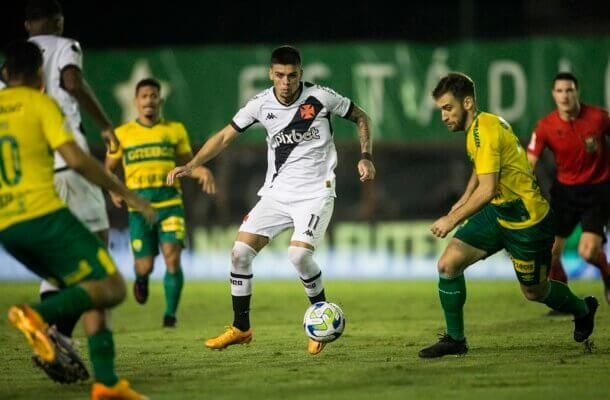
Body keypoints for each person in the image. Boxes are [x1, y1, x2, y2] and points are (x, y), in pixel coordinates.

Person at [167, 45, 376, 355]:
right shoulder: (260, 104)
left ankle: (320, 319)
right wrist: (194, 163)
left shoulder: (321, 97)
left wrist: (366, 156)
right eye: (279, 75)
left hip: (316, 192)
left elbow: (361, 116)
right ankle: (241, 327)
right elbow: (225, 135)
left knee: (298, 256)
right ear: (270, 75)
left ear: (301, 74)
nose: (286, 82)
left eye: (292, 76)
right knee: (239, 253)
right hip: (276, 194)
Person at [1, 40, 151, 400]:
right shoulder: (42, 103)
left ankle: (106, 383)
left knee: (87, 283)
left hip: (8, 228)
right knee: (112, 285)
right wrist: (129, 195)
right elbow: (78, 159)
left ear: (5, 74)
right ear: (40, 74)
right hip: (45, 217)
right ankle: (37, 315)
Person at [418, 72, 598, 358]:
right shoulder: (480, 126)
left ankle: (583, 308)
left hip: (528, 221)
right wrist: (461, 203)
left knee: (534, 292)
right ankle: (455, 339)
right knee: (448, 265)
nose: (443, 116)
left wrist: (451, 220)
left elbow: (488, 189)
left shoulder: (485, 131)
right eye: (441, 109)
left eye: (447, 107)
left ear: (467, 102)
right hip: (500, 213)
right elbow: (481, 172)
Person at [23, 0, 121, 380]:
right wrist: (106, 126)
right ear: (52, 21)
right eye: (57, 18)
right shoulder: (66, 46)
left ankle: (53, 336)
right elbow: (72, 82)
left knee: (59, 257)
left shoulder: (14, 62)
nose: (60, 24)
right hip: (70, 163)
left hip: (38, 170)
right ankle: (55, 335)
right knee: (96, 259)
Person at [105, 78, 216, 327]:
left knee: (172, 258)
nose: (149, 101)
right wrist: (112, 189)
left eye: (153, 96)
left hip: (170, 205)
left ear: (160, 101)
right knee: (144, 266)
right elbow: (108, 169)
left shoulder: (174, 129)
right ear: (136, 102)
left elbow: (188, 163)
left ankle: (170, 316)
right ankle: (141, 279)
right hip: (139, 209)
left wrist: (202, 171)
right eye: (144, 96)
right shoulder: (121, 134)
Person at [527, 72, 610, 305]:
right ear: (553, 94)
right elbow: (529, 162)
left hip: (597, 192)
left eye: (569, 90)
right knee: (550, 252)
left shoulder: (599, 118)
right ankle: (564, 298)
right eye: (560, 91)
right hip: (564, 193)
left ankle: (607, 274)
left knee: (588, 252)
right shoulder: (545, 126)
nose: (565, 95)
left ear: (577, 92)